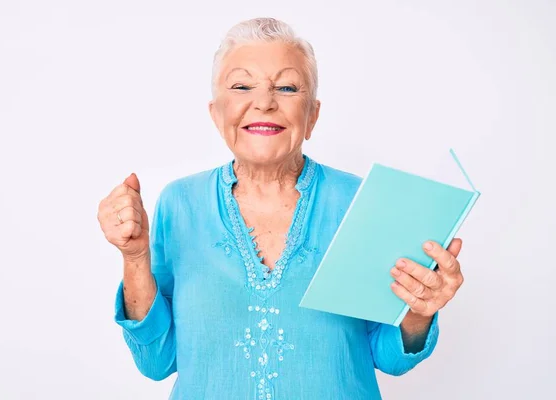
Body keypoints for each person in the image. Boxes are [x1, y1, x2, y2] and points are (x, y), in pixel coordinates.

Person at [97, 17, 466, 400]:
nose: (264, 102)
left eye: (287, 87)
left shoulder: (359, 201)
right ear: (215, 113)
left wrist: (420, 311)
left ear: (312, 115)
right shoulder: (179, 204)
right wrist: (134, 255)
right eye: (242, 86)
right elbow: (156, 361)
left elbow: (389, 356)